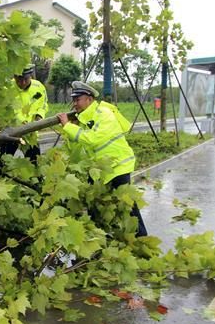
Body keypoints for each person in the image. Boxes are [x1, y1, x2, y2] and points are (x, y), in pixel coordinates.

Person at [57, 81, 148, 237]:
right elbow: (78, 151)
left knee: (128, 205)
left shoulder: (103, 113)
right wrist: (71, 131)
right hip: (101, 170)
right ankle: (98, 238)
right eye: (74, 100)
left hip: (118, 166)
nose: (75, 104)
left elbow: (93, 139)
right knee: (94, 204)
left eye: (78, 99)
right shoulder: (84, 120)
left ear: (90, 99)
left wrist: (68, 126)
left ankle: (142, 238)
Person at [0, 65, 48, 164]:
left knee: (34, 164)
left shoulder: (39, 87)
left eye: (26, 79)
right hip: (12, 132)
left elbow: (44, 104)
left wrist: (39, 115)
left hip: (31, 133)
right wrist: (21, 121)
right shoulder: (7, 88)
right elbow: (7, 110)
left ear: (31, 76)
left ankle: (35, 179)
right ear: (14, 77)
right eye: (19, 79)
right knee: (3, 162)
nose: (22, 83)